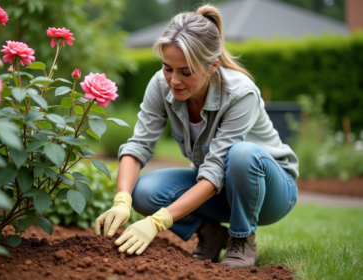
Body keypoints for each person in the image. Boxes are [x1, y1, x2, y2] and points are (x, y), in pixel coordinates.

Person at [95, 4, 299, 268]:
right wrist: (122, 200)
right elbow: (138, 145)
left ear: (212, 66)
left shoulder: (240, 93)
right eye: (168, 68)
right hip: (217, 190)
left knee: (241, 154)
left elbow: (216, 170)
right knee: (144, 192)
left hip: (269, 191)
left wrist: (158, 222)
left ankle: (243, 239)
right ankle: (213, 235)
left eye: (186, 72)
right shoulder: (161, 83)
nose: (174, 80)